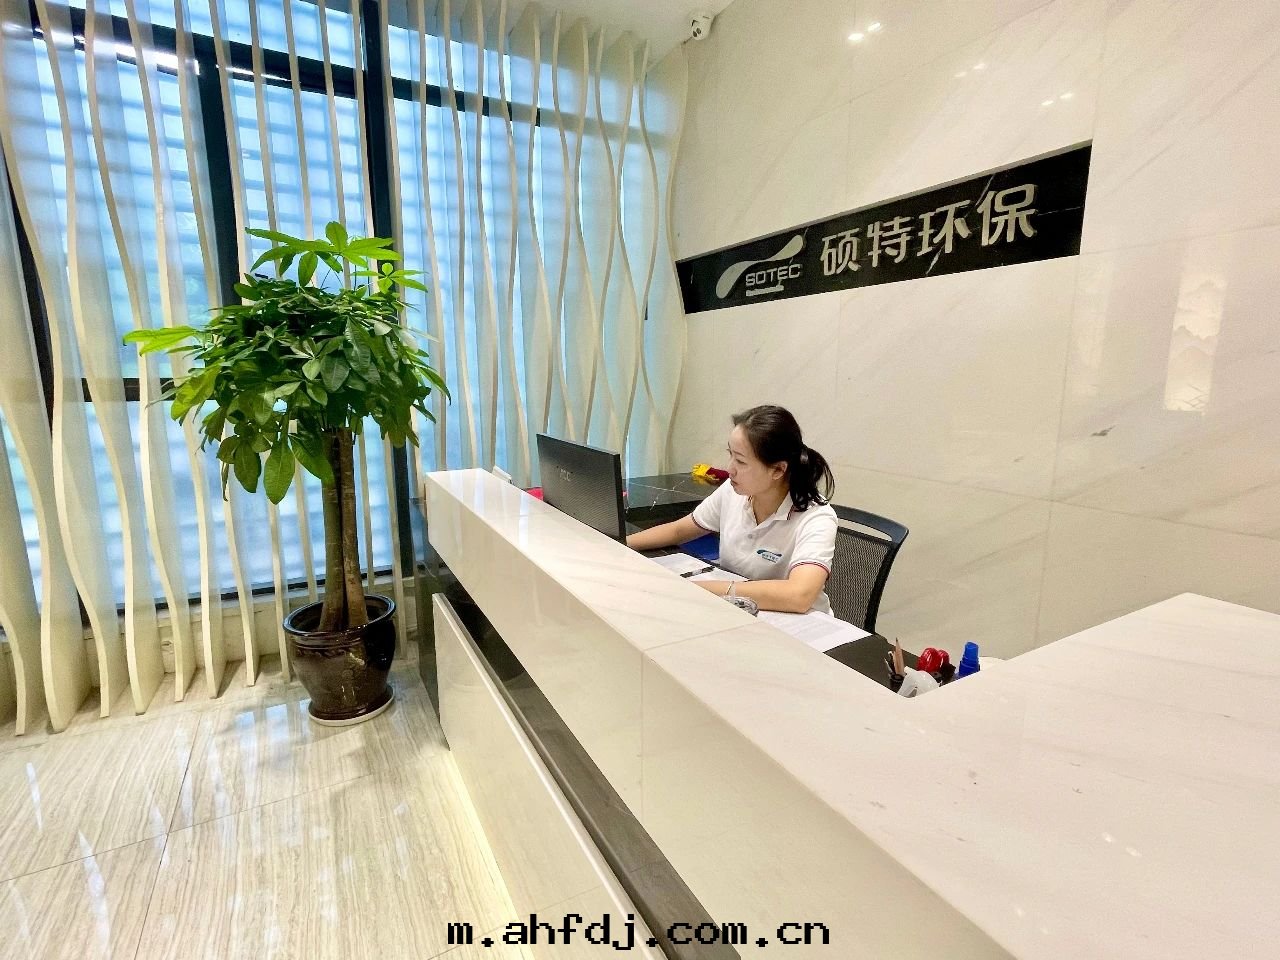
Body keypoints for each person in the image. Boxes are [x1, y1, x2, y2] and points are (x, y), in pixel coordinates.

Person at [626, 405, 837, 614]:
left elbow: (799, 596)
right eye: (731, 455)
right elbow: (679, 530)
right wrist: (621, 543)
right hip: (738, 611)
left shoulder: (816, 517)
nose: (730, 469)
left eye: (741, 461)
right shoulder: (733, 491)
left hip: (801, 625)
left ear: (778, 469)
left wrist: (704, 589)